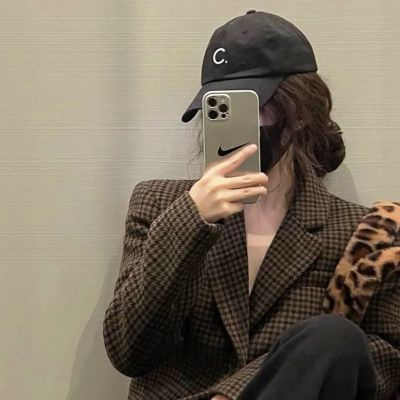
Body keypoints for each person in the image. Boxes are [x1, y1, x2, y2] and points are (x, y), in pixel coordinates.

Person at [102, 10, 400, 400]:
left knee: (334, 337)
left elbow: (388, 359)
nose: (238, 126)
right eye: (220, 108)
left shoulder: (358, 230)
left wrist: (235, 392)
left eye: (254, 106)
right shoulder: (158, 205)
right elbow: (128, 352)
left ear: (299, 113)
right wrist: (189, 221)